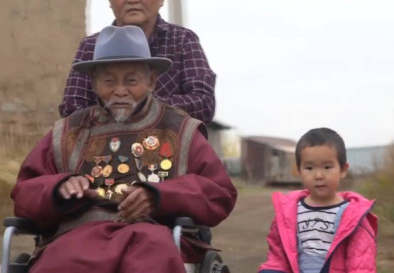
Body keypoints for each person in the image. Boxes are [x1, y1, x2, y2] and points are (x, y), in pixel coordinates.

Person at [11, 25, 237, 273]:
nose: (120, 91)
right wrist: (58, 188)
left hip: (152, 235)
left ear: (151, 80)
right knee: (59, 261)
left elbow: (219, 193)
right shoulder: (67, 132)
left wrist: (159, 196)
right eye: (109, 81)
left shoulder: (180, 129)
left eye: (131, 80)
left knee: (153, 260)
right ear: (94, 83)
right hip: (76, 237)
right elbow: (24, 194)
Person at [59, 0, 216, 123]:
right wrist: (118, 112)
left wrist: (141, 107)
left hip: (169, 144)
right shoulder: (91, 46)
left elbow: (203, 104)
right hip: (103, 145)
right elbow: (72, 107)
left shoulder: (183, 40)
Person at [258, 128, 377, 273]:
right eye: (309, 168)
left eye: (327, 167)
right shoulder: (287, 215)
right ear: (299, 171)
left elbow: (360, 265)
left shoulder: (354, 217)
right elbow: (277, 259)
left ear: (343, 170)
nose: (319, 175)